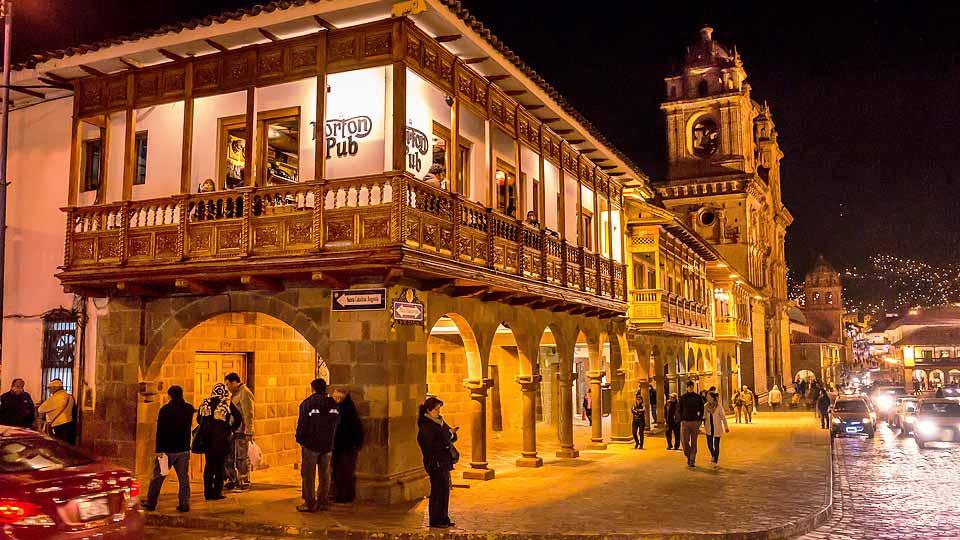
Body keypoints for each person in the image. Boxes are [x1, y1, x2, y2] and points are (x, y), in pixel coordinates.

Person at [143, 386, 195, 513]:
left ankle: (151, 502)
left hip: (167, 450)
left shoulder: (165, 410)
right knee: (183, 479)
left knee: (158, 477)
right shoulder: (188, 409)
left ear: (170, 395)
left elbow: (160, 431)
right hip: (183, 449)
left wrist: (159, 450)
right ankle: (184, 504)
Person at [295, 379, 341, 512]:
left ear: (313, 388)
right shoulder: (333, 404)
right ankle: (323, 501)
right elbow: (337, 422)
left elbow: (302, 424)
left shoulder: (308, 403)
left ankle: (310, 502)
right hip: (327, 445)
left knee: (308, 475)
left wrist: (300, 439)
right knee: (325, 474)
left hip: (311, 445)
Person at [417, 396, 458, 529]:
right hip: (435, 463)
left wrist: (451, 435)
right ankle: (435, 520)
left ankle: (444, 518)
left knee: (445, 490)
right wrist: (448, 436)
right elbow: (432, 444)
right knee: (437, 491)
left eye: (439, 408)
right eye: (436, 409)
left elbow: (449, 436)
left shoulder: (439, 421)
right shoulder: (426, 425)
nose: (439, 411)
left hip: (444, 461)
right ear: (428, 410)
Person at [195, 383, 241, 501]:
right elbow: (238, 418)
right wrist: (231, 428)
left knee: (209, 466)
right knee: (220, 467)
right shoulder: (227, 403)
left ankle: (208, 492)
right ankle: (217, 492)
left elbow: (198, 419)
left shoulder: (206, 402)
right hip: (221, 440)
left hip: (207, 440)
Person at [331, 387, 363, 504]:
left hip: (345, 446)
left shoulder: (346, 411)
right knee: (342, 471)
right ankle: (343, 495)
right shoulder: (346, 409)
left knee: (343, 472)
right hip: (343, 446)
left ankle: (343, 496)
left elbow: (351, 429)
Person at [224, 372, 254, 492]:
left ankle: (244, 481)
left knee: (241, 457)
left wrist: (249, 431)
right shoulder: (234, 394)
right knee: (230, 456)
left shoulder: (245, 393)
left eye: (228, 384)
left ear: (234, 382)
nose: (227, 387)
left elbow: (248, 413)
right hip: (233, 430)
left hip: (241, 430)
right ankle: (232, 480)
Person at [37, 379, 75, 444]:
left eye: (50, 388)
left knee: (58, 445)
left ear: (55, 387)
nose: (49, 390)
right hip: (69, 424)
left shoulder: (57, 397)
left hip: (58, 425)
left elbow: (41, 408)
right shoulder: (70, 396)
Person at [678, 381, 704, 468]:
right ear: (687, 387)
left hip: (695, 421)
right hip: (685, 421)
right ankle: (688, 455)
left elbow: (702, 408)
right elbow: (679, 408)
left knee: (694, 441)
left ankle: (692, 459)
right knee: (684, 441)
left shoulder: (698, 397)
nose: (691, 388)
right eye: (689, 386)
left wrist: (700, 419)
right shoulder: (683, 397)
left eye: (692, 386)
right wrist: (681, 418)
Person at [702, 391, 730, 469]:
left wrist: (726, 427)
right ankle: (713, 455)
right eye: (707, 397)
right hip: (709, 428)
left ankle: (715, 460)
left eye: (708, 397)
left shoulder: (718, 406)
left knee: (716, 445)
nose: (707, 398)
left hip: (717, 428)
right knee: (710, 445)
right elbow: (703, 416)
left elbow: (723, 417)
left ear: (713, 397)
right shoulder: (705, 406)